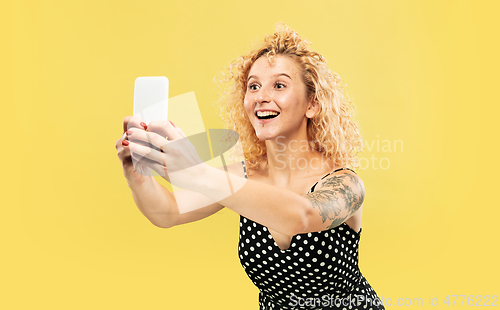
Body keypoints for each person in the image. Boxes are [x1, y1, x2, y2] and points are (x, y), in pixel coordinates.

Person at [115, 23, 385, 310]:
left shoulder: (345, 184)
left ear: (312, 105)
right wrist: (137, 175)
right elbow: (167, 212)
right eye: (253, 86)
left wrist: (197, 172)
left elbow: (302, 216)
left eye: (279, 85)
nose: (260, 96)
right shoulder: (241, 175)